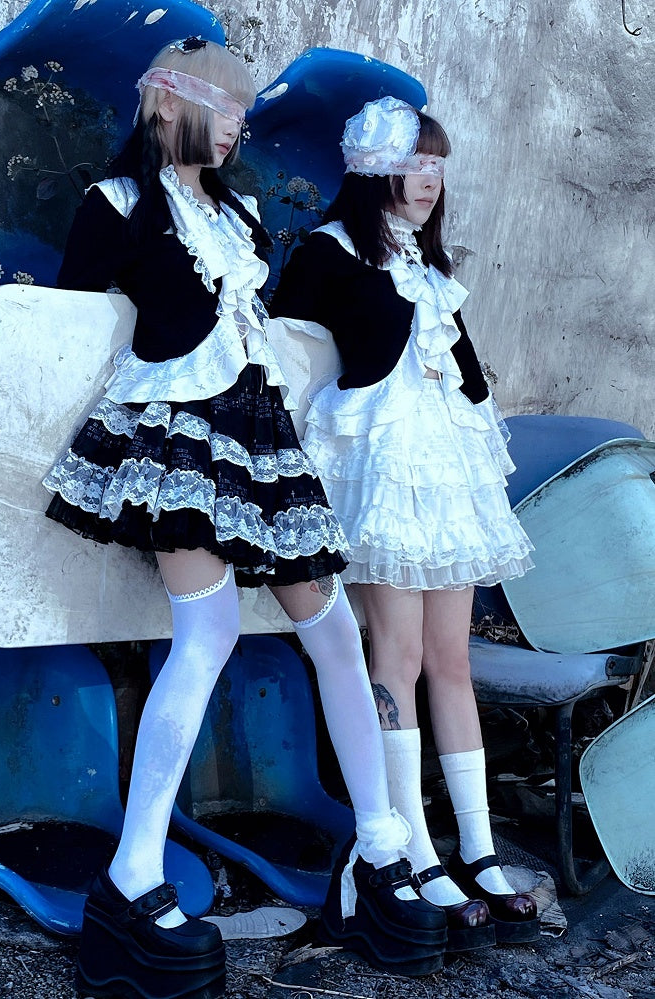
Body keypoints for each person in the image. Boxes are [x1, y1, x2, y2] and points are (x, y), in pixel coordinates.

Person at [42, 44, 448, 998]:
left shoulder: (242, 216)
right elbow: (57, 332)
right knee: (210, 632)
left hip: (262, 441)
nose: (237, 125)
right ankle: (132, 873)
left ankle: (379, 849)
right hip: (178, 439)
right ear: (166, 104)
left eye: (241, 110)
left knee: (336, 634)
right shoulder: (117, 204)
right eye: (222, 106)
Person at [268, 96, 540, 949]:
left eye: (438, 165)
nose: (431, 180)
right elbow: (280, 355)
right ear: (375, 164)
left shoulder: (428, 262)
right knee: (399, 658)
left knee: (453, 659)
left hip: (445, 480)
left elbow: (469, 376)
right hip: (382, 476)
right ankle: (411, 847)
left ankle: (480, 849)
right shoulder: (327, 251)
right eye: (416, 161)